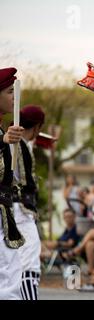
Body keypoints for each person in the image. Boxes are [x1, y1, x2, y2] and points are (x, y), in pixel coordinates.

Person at [11, 105, 45, 300]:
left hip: (14, 210)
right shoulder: (17, 143)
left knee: (12, 266)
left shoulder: (20, 143)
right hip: (21, 210)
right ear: (37, 126)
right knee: (29, 265)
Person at [0, 67, 25, 300]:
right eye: (10, 92)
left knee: (10, 274)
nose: (14, 98)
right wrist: (3, 140)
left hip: (5, 210)